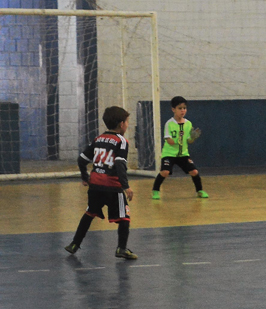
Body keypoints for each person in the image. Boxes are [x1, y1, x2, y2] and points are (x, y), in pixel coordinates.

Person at [64, 106, 138, 260]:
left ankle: (74, 244)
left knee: (89, 213)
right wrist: (126, 186)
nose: (127, 125)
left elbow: (82, 159)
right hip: (112, 186)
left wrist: (85, 177)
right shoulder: (121, 141)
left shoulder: (98, 139)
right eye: (127, 122)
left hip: (95, 185)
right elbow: (119, 164)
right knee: (124, 217)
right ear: (121, 124)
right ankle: (122, 248)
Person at [151, 96, 208, 199]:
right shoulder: (169, 124)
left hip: (183, 154)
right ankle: (155, 190)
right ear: (173, 109)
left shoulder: (188, 123)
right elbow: (169, 140)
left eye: (184, 108)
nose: (182, 111)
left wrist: (193, 138)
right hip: (169, 154)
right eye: (180, 108)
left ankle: (200, 190)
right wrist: (179, 139)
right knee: (165, 172)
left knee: (194, 172)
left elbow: (189, 141)